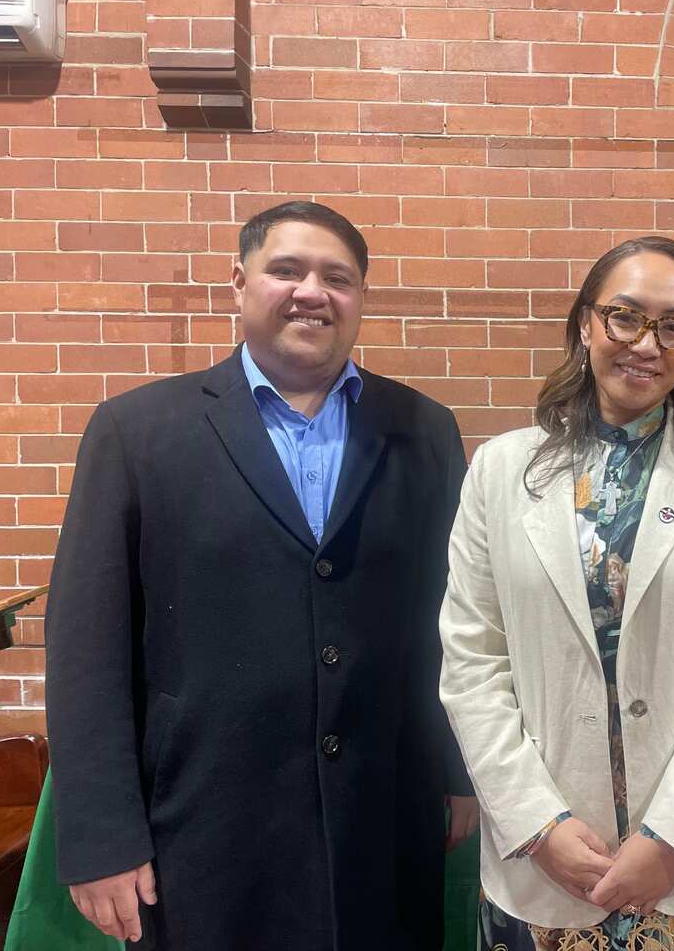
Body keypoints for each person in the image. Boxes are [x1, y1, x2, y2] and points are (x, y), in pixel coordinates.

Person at [45, 201, 478, 950]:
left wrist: (457, 771)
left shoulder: (424, 430)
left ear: (361, 300)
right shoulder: (136, 433)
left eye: (338, 278)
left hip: (383, 823)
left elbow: (449, 617)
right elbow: (87, 649)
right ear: (239, 285)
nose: (313, 291)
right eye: (288, 270)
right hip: (206, 836)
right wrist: (100, 835)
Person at [439, 236, 674, 951]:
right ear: (585, 324)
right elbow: (472, 663)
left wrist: (673, 837)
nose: (646, 342)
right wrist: (538, 824)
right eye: (624, 317)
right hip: (552, 866)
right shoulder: (500, 470)